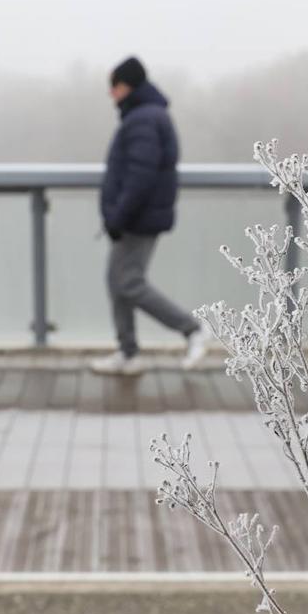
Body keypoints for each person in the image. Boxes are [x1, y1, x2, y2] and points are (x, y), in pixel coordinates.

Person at [90, 56, 210, 375]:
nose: (110, 93)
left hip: (136, 219)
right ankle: (128, 352)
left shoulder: (143, 119)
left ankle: (191, 329)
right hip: (136, 216)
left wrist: (117, 216)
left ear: (127, 85)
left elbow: (140, 175)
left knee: (127, 282)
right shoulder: (146, 115)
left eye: (113, 85)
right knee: (119, 281)